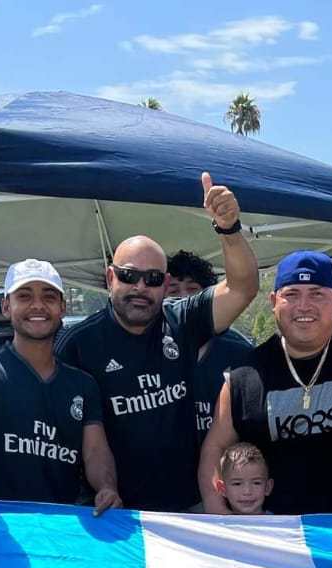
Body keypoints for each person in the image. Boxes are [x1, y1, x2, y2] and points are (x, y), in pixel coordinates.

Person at [57, 173, 258, 511]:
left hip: (187, 509)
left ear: (165, 285)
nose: (139, 287)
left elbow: (242, 288)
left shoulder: (182, 319)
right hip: (113, 512)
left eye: (151, 280)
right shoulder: (78, 344)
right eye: (128, 276)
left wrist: (229, 228)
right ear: (110, 278)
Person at [198, 250, 332, 515]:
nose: (304, 306)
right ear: (273, 301)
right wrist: (215, 504)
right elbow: (215, 447)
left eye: (317, 293)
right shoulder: (243, 376)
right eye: (291, 294)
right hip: (287, 541)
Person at [0, 259, 120, 512]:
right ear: (6, 306)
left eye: (49, 297)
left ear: (62, 308)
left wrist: (107, 488)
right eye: (24, 296)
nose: (38, 305)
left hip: (63, 528)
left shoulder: (82, 385)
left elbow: (95, 452)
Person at [166, 249, 254, 440]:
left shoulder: (240, 351)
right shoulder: (145, 351)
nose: (183, 298)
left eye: (192, 290)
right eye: (173, 291)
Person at [214, 441, 274, 515]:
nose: (247, 492)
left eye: (256, 483)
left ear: (268, 487)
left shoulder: (280, 524)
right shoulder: (217, 526)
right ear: (222, 489)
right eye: (237, 484)